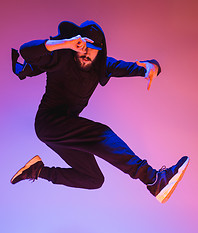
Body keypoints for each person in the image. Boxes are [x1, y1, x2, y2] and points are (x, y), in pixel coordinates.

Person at [10, 20, 189, 204]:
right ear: (75, 45)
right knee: (101, 134)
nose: (86, 53)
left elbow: (141, 67)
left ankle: (37, 171)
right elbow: (26, 51)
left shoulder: (102, 66)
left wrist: (152, 67)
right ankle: (153, 179)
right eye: (82, 47)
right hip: (48, 124)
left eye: (92, 48)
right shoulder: (60, 57)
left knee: (94, 179)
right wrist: (65, 44)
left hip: (65, 131)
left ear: (100, 51)